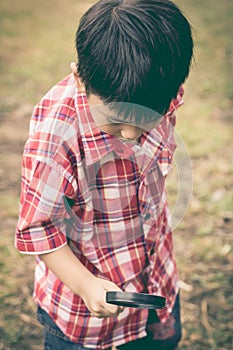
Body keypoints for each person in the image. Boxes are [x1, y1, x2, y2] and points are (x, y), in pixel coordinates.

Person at [15, 0, 194, 349]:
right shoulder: (55, 139)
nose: (130, 136)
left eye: (144, 121)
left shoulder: (158, 91)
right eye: (116, 122)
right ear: (80, 79)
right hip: (85, 310)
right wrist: (85, 284)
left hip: (154, 283)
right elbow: (39, 229)